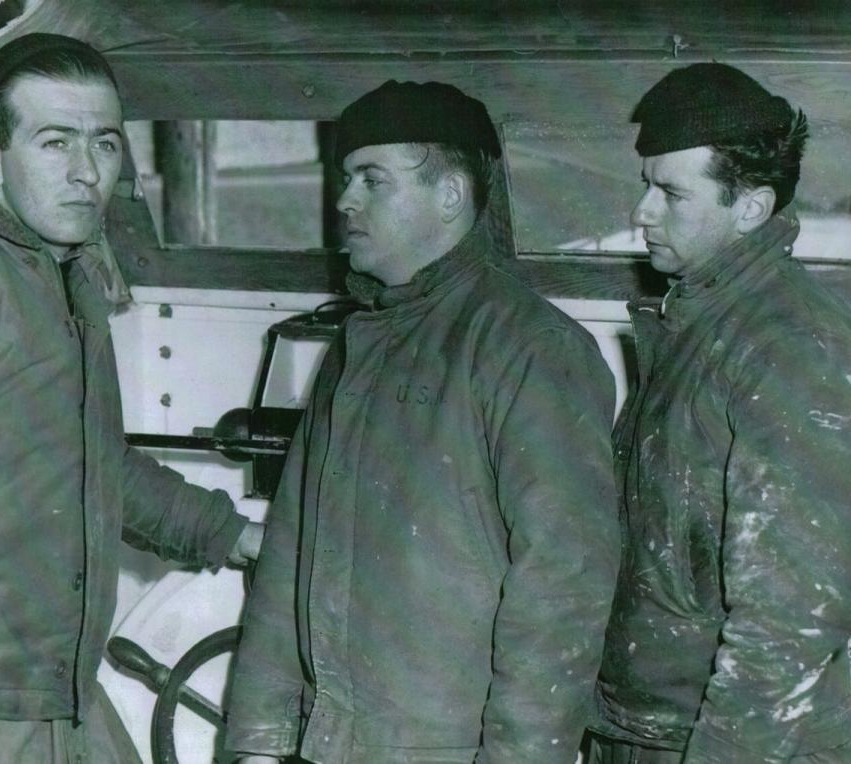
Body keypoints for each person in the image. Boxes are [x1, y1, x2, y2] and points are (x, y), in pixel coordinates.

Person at [0, 33, 263, 763]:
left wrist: (235, 535)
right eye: (55, 143)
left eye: (106, 145)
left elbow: (94, 463)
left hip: (59, 691)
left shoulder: (68, 279)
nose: (86, 173)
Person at [225, 80, 620, 763]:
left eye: (372, 180)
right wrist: (259, 741)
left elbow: (562, 590)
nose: (344, 200)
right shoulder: (356, 346)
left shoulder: (530, 348)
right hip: (334, 742)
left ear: (450, 195)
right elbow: (291, 550)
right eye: (346, 178)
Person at [587, 63, 851, 762]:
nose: (642, 212)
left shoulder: (790, 347)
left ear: (751, 208)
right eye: (645, 185)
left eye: (671, 192)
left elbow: (790, 617)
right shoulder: (696, 326)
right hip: (643, 727)